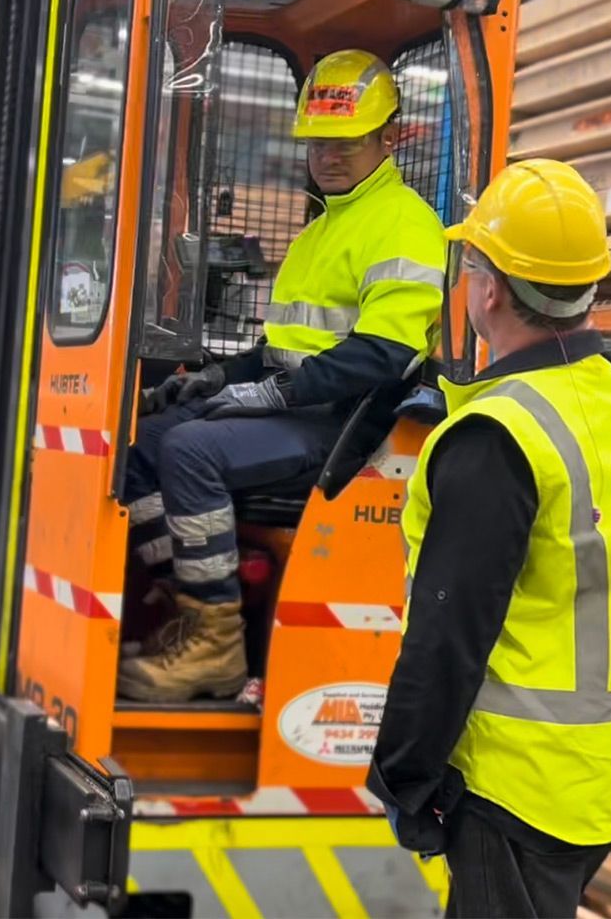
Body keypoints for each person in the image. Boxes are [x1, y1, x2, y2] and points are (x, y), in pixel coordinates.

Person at [365, 158, 611, 918]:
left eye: (472, 263)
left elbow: (449, 631)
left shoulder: (499, 437)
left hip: (517, 791)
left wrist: (404, 775)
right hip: (599, 781)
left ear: (490, 289)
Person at [117, 49, 446, 703]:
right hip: (293, 408)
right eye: (317, 143)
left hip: (346, 424)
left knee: (191, 451)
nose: (327, 156)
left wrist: (273, 391)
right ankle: (192, 605)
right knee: (144, 441)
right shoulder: (322, 228)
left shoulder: (406, 226)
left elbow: (383, 354)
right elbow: (282, 347)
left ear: (389, 137)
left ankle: (216, 647)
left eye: (344, 142)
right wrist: (216, 378)